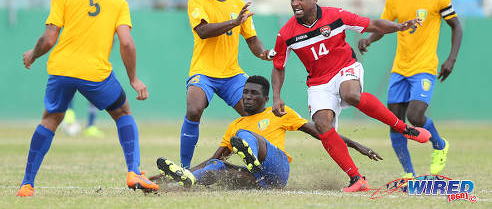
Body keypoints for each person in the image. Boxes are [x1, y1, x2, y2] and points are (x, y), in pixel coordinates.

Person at [270, 0, 432, 192]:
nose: (295, 3)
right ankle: (357, 178)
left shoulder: (336, 15)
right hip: (318, 81)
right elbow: (279, 66)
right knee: (322, 125)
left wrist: (400, 27)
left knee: (351, 94)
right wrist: (277, 96)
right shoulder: (286, 33)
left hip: (345, 67)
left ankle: (404, 128)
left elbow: (373, 24)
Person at [17, 0, 159, 197]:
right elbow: (126, 43)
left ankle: (27, 185)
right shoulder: (118, 1)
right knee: (123, 112)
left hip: (61, 70)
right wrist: (133, 79)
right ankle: (133, 171)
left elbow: (49, 39)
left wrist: (33, 54)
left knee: (50, 120)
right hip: (95, 73)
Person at [155, 75, 382, 189]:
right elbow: (214, 158)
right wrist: (167, 178)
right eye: (245, 93)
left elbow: (322, 133)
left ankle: (251, 155)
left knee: (246, 137)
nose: (247, 97)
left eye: (253, 93)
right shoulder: (235, 124)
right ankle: (185, 181)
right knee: (216, 166)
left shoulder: (278, 113)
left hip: (278, 170)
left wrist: (358, 146)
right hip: (257, 180)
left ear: (265, 98)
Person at [358, 0, 463, 178]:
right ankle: (409, 175)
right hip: (400, 69)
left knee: (415, 116)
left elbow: (457, 26)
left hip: (424, 67)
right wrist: (368, 38)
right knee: (396, 123)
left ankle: (439, 145)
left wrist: (451, 59)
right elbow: (383, 26)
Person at [180, 0, 272, 169]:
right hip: (203, 72)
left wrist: (264, 53)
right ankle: (184, 168)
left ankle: (264, 165)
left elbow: (252, 40)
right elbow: (203, 31)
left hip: (232, 75)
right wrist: (234, 22)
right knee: (194, 110)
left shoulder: (238, 5)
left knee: (254, 116)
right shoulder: (196, 1)